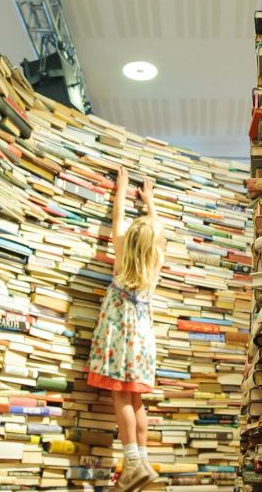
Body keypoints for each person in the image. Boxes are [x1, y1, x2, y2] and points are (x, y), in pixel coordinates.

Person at [87, 167, 164, 492]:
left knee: (121, 397)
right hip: (144, 339)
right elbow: (159, 233)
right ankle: (144, 461)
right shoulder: (156, 260)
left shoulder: (121, 252)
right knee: (137, 401)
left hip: (120, 336)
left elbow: (117, 217)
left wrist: (120, 188)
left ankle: (132, 462)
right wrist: (151, 204)